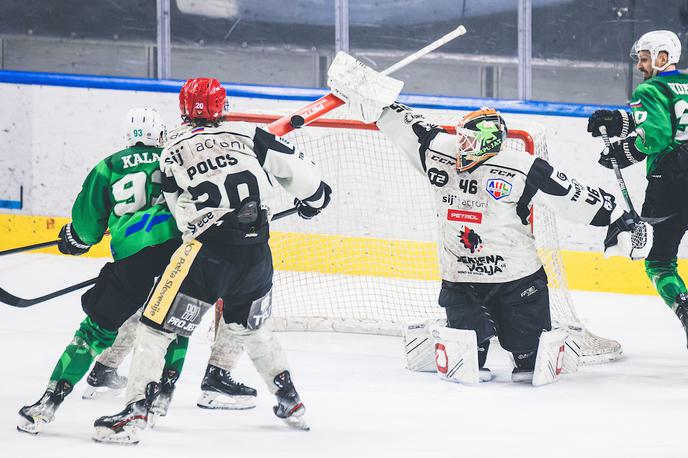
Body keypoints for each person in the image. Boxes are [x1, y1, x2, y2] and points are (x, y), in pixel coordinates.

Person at [327, 54, 649, 383]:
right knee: (467, 368)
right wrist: (365, 89)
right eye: (461, 138)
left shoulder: (523, 167)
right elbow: (400, 120)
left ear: (490, 144)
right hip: (462, 282)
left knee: (531, 369)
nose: (461, 146)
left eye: (469, 141)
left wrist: (618, 218)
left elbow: (574, 196)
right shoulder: (439, 150)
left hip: (518, 281)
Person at [92, 77, 331, 444]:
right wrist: (312, 203)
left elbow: (175, 210)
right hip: (257, 255)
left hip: (207, 255)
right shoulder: (252, 138)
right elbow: (315, 188)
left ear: (183, 109)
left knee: (155, 328)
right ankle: (290, 400)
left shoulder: (170, 149)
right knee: (250, 328)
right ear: (224, 108)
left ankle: (136, 411)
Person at [17, 108, 182, 433]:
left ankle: (47, 404)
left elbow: (86, 232)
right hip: (175, 258)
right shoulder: (176, 159)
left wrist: (73, 239)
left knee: (92, 333)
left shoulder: (109, 166)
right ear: (161, 135)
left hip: (130, 261)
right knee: (174, 325)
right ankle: (162, 395)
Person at [586, 30, 688, 346]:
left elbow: (656, 135)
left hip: (670, 187)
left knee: (659, 263)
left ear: (662, 57)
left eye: (645, 59)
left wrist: (624, 151)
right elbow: (670, 121)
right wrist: (620, 120)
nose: (641, 66)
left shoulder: (652, 87)